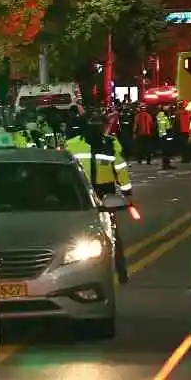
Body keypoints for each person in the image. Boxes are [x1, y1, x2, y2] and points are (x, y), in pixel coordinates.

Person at [65, 118, 133, 283]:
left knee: (76, 234)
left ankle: (76, 272)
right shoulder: (110, 143)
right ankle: (120, 271)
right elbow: (121, 169)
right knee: (111, 233)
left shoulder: (72, 144)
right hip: (103, 193)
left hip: (80, 193)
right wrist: (127, 192)